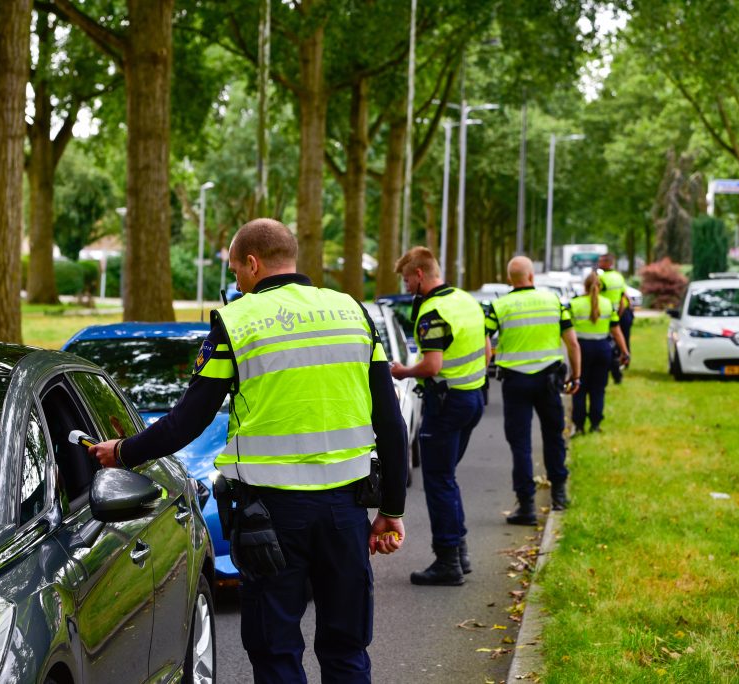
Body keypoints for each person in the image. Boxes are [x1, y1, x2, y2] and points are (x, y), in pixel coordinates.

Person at [90, 218, 408, 684]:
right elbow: (390, 423)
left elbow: (188, 419)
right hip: (345, 511)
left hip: (272, 517)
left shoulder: (238, 321)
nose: (236, 282)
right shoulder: (351, 312)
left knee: (276, 650)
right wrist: (392, 509)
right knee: (346, 647)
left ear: (253, 264)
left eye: (237, 271)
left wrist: (124, 452)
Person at [390, 247, 486, 586]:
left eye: (406, 280)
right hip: (472, 397)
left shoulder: (433, 312)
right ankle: (460, 552)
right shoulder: (465, 300)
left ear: (419, 275)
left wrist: (403, 372)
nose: (406, 287)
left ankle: (448, 561)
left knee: (439, 481)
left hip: (445, 404)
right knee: (447, 477)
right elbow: (487, 350)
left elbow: (432, 366)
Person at [486, 256, 581, 525]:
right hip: (549, 380)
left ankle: (526, 506)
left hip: (515, 383)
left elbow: (485, 338)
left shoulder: (499, 306)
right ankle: (559, 496)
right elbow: (572, 343)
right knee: (553, 436)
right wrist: (577, 375)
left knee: (520, 445)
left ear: (509, 279)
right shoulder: (554, 301)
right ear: (532, 277)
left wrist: (484, 370)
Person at [569, 272, 630, 435]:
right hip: (603, 349)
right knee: (598, 389)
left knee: (579, 388)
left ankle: (579, 425)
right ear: (600, 287)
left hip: (581, 350)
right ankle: (595, 424)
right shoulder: (608, 304)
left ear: (585, 286)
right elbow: (616, 331)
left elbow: (567, 331)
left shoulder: (575, 304)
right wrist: (625, 351)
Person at [597, 253, 632, 384]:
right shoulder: (619, 276)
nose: (599, 264)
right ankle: (625, 360)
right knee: (623, 340)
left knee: (609, 344)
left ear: (608, 263)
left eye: (601, 261)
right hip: (620, 313)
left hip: (606, 315)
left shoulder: (601, 278)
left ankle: (615, 371)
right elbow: (624, 297)